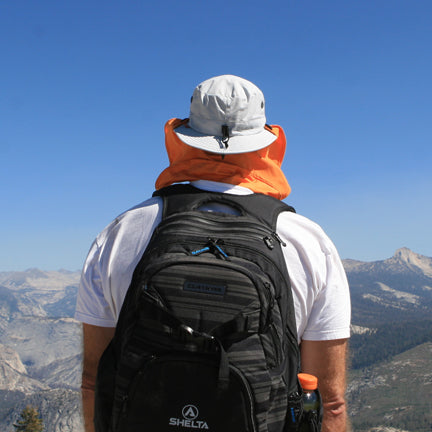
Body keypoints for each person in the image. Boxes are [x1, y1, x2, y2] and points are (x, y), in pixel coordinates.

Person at [75, 74, 351, 432]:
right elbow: (329, 404)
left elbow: (93, 382)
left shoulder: (122, 232)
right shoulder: (308, 242)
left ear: (183, 135)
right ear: (267, 141)